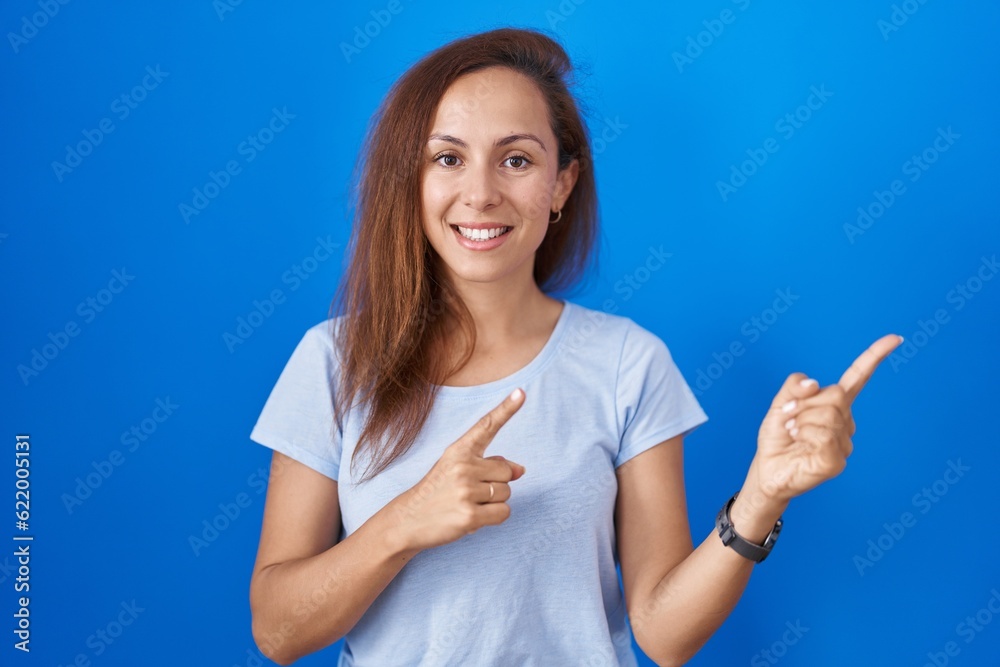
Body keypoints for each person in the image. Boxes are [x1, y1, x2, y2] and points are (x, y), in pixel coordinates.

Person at [247, 27, 902, 666]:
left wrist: (761, 495)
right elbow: (277, 632)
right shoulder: (333, 361)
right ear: (410, 182)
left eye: (517, 159)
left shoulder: (627, 362)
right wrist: (403, 523)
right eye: (447, 158)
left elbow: (664, 635)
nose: (480, 193)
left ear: (560, 185)